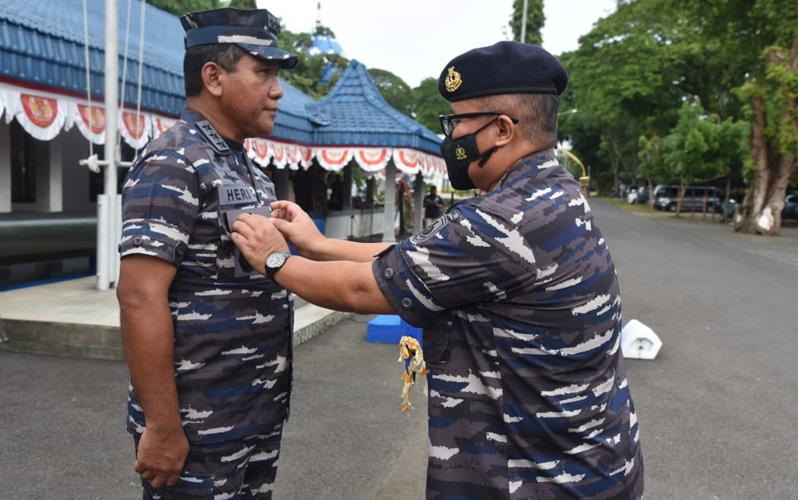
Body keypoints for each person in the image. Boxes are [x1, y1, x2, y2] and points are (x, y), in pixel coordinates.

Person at [231, 41, 643, 498]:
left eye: (458, 123)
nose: (451, 138)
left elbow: (359, 291)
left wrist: (276, 261)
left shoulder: (502, 219)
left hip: (536, 481)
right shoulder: (550, 191)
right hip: (587, 465)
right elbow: (422, 256)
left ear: (502, 129)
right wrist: (320, 244)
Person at [115, 8, 297, 499]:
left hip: (254, 411)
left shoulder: (248, 171)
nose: (276, 90)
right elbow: (138, 297)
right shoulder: (174, 161)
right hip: (198, 424)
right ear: (213, 77)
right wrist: (163, 426)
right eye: (263, 73)